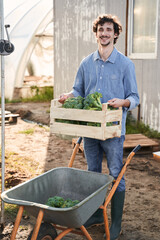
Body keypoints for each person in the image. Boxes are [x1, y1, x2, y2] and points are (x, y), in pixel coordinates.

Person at [59, 14, 139, 240]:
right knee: (92, 173)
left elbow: (135, 97)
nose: (104, 33)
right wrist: (68, 95)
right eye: (100, 30)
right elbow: (78, 90)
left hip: (113, 131)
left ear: (115, 34)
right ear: (96, 33)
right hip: (90, 130)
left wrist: (122, 102)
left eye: (108, 30)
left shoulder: (125, 64)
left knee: (116, 174)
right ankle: (95, 214)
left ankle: (116, 223)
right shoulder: (86, 63)